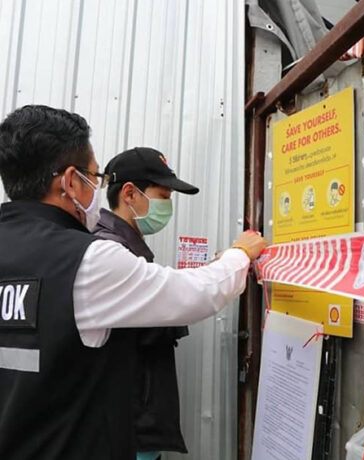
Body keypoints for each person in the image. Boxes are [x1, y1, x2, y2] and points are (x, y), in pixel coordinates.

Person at [0, 105, 267, 460]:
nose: (97, 189)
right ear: (70, 182)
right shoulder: (87, 260)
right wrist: (241, 253)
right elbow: (192, 294)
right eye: (94, 177)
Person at [93, 147, 198, 460]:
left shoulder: (127, 248)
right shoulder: (109, 251)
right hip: (126, 428)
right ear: (129, 193)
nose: (168, 205)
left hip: (134, 423)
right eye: (163, 195)